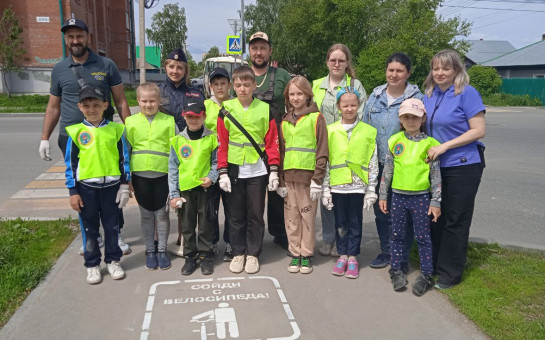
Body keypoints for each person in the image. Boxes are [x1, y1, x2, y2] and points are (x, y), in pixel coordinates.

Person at [39, 18, 132, 255]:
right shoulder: (59, 69)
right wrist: (44, 138)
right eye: (70, 36)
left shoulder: (106, 64)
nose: (75, 41)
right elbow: (53, 107)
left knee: (112, 185)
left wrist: (129, 133)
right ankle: (91, 238)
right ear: (65, 39)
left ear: (87, 37)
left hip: (104, 135)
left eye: (79, 35)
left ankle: (116, 234)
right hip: (72, 138)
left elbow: (121, 101)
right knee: (82, 190)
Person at [423, 50, 486, 290]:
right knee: (435, 217)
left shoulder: (467, 94)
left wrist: (445, 146)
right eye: (436, 68)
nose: (439, 73)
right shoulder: (428, 94)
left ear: (457, 70)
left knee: (455, 219)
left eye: (445, 69)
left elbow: (478, 130)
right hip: (436, 166)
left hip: (463, 164)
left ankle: (452, 272)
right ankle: (437, 264)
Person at [217, 66, 281, 274]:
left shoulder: (265, 109)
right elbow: (222, 144)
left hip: (258, 171)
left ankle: (253, 253)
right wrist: (223, 171)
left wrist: (273, 169)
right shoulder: (225, 110)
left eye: (247, 84)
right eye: (238, 85)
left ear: (254, 85)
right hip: (235, 170)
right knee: (235, 215)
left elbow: (272, 142)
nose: (242, 89)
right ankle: (238, 252)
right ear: (233, 87)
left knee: (255, 213)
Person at [363, 52, 424, 270]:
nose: (394, 74)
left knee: (403, 212)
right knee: (382, 210)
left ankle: (402, 255)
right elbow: (364, 128)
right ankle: (386, 251)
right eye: (391, 70)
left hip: (405, 165)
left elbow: (424, 129)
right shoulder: (375, 96)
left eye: (399, 71)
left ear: (408, 73)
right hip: (378, 163)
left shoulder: (416, 98)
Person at [64, 86, 130, 284]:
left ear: (105, 105)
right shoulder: (75, 132)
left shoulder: (116, 130)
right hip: (86, 189)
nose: (91, 109)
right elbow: (70, 165)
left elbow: (124, 159)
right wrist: (73, 191)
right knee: (90, 229)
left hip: (111, 188)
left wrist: (124, 185)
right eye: (86, 106)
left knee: (112, 227)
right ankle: (92, 265)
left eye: (96, 105)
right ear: (79, 107)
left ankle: (113, 260)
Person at [378, 98, 442, 296]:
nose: (411, 121)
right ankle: (396, 270)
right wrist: (382, 194)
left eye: (415, 117)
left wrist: (435, 201)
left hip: (421, 198)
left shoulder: (430, 144)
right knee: (397, 235)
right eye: (406, 117)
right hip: (398, 197)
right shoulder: (395, 141)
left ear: (422, 118)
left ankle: (426, 275)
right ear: (401, 119)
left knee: (423, 237)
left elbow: (436, 176)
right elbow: (387, 170)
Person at [312, 43, 367, 257]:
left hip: (348, 148)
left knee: (346, 197)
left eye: (341, 60)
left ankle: (345, 242)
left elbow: (361, 115)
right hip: (323, 147)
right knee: (327, 196)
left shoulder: (356, 85)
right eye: (333, 60)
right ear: (327, 62)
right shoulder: (316, 85)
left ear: (347, 63)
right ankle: (328, 239)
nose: (336, 64)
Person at [323, 87, 378, 279]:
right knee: (340, 222)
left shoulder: (368, 131)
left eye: (353, 105)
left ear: (359, 105)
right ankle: (342, 254)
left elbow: (372, 160)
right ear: (338, 106)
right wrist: (325, 189)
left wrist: (371, 189)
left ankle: (353, 256)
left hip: (357, 187)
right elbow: (327, 161)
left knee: (355, 222)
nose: (349, 109)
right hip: (337, 187)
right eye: (345, 105)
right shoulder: (330, 131)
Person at [277, 76, 328, 274]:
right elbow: (282, 152)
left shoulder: (317, 118)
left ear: (308, 95)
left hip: (308, 180)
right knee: (291, 218)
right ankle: (294, 252)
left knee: (307, 217)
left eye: (300, 93)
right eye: (292, 94)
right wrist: (280, 180)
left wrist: (317, 179)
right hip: (289, 179)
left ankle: (306, 254)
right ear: (287, 97)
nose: (296, 98)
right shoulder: (285, 121)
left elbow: (322, 149)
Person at [247, 32, 292, 249]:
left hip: (277, 142)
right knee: (252, 191)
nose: (258, 52)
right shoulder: (243, 75)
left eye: (262, 48)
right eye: (254, 48)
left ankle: (279, 231)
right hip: (249, 143)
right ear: (249, 51)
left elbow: (294, 103)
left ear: (270, 51)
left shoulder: (282, 75)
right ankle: (252, 233)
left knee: (277, 189)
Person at [159, 47, 205, 256]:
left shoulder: (195, 92)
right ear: (165, 67)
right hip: (164, 149)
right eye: (171, 66)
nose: (175, 70)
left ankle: (182, 239)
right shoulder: (159, 92)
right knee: (166, 198)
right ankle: (159, 243)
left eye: (179, 67)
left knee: (185, 198)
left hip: (190, 150)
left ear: (186, 69)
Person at [125, 82, 175, 271]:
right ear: (138, 101)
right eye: (144, 101)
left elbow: (175, 151)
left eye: (152, 101)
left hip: (163, 174)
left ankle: (162, 250)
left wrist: (175, 178)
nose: (148, 105)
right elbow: (125, 153)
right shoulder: (130, 122)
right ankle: (150, 250)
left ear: (159, 101)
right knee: (146, 215)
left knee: (162, 214)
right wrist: (127, 179)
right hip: (140, 176)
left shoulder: (168, 121)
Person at [168, 98, 219, 276]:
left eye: (197, 116)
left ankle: (206, 255)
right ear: (184, 117)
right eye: (189, 117)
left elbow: (216, 163)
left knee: (205, 224)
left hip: (205, 189)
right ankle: (190, 257)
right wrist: (174, 194)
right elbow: (173, 169)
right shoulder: (177, 141)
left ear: (204, 116)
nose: (193, 120)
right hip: (185, 191)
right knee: (188, 225)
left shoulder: (212, 138)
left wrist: (212, 178)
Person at [204, 67, 233, 261]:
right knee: (210, 207)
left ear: (229, 85)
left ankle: (231, 241)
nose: (220, 87)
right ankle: (212, 241)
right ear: (210, 86)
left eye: (223, 83)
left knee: (232, 206)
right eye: (216, 84)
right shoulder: (205, 105)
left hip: (232, 161)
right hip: (210, 162)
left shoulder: (236, 104)